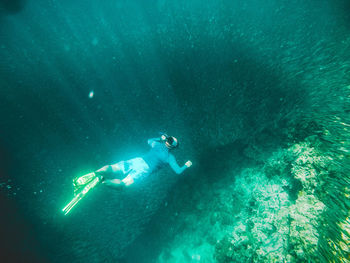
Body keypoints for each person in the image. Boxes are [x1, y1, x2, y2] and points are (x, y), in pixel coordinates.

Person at [93, 134, 192, 189]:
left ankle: (96, 173)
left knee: (113, 167)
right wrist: (186, 165)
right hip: (145, 169)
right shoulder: (170, 157)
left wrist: (160, 138)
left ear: (167, 140)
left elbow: (148, 140)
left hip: (138, 160)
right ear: (174, 147)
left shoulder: (156, 144)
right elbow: (178, 171)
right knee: (124, 184)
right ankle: (103, 181)